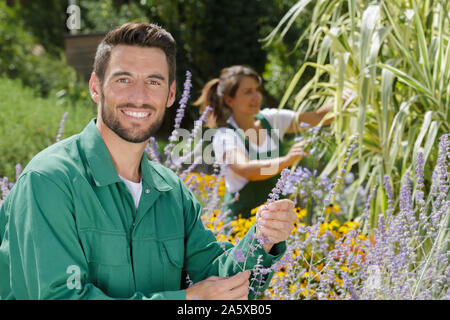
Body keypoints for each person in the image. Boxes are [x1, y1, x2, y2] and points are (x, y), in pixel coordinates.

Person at [0, 23, 297, 300]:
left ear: (170, 95)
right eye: (123, 79)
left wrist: (263, 240)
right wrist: (188, 299)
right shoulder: (49, 181)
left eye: (153, 82)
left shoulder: (172, 192)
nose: (139, 97)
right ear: (95, 86)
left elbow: (222, 282)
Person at [194, 65, 352, 219]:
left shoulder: (272, 119)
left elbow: (316, 118)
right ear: (230, 100)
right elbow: (248, 170)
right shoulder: (225, 136)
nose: (257, 97)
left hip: (277, 220)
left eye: (257, 90)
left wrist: (342, 101)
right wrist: (286, 161)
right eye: (248, 92)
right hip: (243, 222)